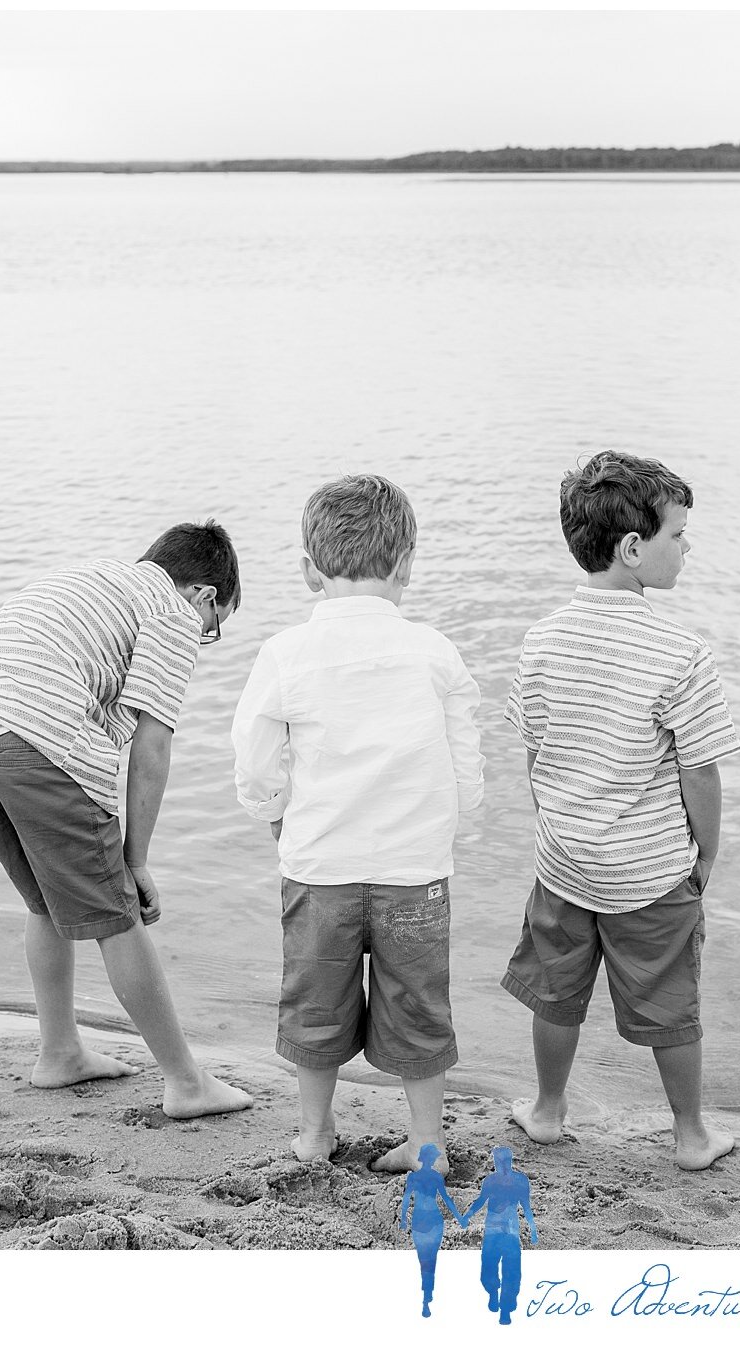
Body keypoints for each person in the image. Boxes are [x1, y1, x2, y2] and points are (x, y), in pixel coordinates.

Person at [0, 521, 253, 1119]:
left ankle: (60, 1052)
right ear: (204, 595)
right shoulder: (172, 610)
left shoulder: (90, 576)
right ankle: (186, 1082)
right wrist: (136, 860)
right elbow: (152, 746)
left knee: (48, 902)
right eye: (215, 629)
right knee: (116, 914)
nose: (204, 637)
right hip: (34, 735)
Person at [232, 474, 485, 1173]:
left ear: (308, 569)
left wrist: (274, 819)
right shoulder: (434, 650)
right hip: (414, 872)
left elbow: (255, 759)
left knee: (314, 1004)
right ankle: (428, 1142)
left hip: (320, 869)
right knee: (419, 1005)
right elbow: (466, 764)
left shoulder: (285, 653)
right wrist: (451, 834)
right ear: (406, 563)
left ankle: (314, 1133)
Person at [502, 451, 740, 1170]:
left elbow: (535, 752)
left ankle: (546, 1111)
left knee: (556, 993)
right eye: (678, 535)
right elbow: (699, 770)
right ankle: (691, 1134)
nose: (686, 548)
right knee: (671, 1003)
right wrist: (705, 855)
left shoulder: (542, 640)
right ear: (634, 550)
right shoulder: (681, 652)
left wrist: (559, 826)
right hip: (649, 872)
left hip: (565, 862)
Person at [462, 1146, 537, 1325]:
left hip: (508, 1232)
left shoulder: (519, 1181)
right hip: (495, 1230)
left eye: (501, 1161)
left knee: (509, 1271)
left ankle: (505, 1309)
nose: (500, 1164)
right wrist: (468, 1215)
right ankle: (494, 1294)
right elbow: (482, 1200)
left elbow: (526, 1206)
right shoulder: (493, 1181)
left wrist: (533, 1229)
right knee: (492, 1268)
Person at [399, 1142, 464, 1317]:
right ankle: (427, 1296)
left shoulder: (415, 1177)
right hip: (432, 1218)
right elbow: (446, 1199)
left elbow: (407, 1200)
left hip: (423, 1218)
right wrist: (459, 1217)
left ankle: (426, 1297)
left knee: (424, 1258)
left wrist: (404, 1218)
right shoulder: (433, 1177)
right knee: (430, 1259)